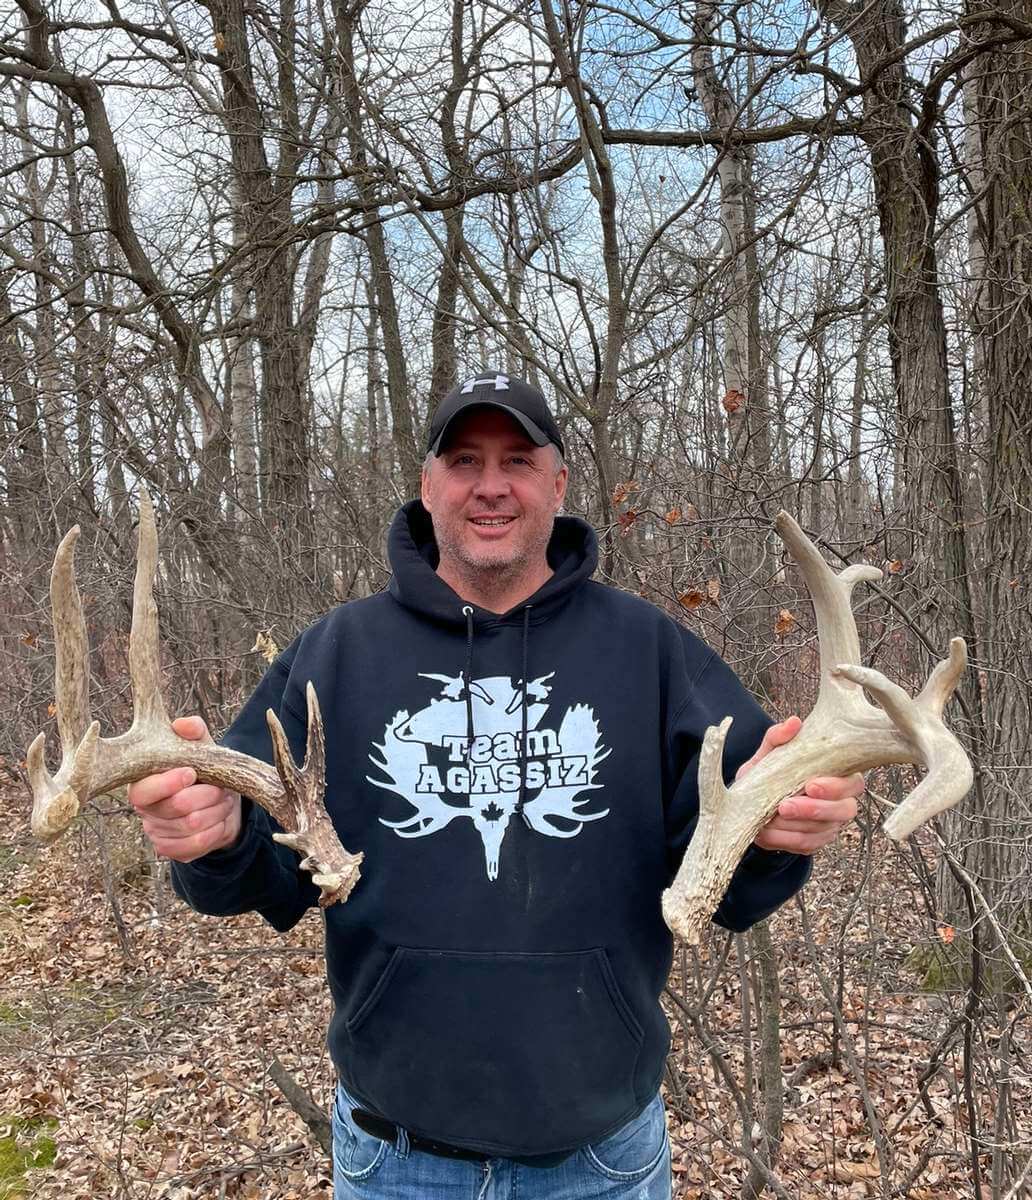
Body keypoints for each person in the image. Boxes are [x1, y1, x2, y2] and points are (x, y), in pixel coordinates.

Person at [129, 372, 862, 1199]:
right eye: (464, 461)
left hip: (601, 1161)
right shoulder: (337, 654)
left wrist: (780, 834)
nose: (490, 485)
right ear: (427, 484)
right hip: (396, 1161)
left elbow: (731, 878)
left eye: (517, 460)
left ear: (558, 484)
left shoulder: (648, 653)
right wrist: (213, 835)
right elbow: (256, 871)